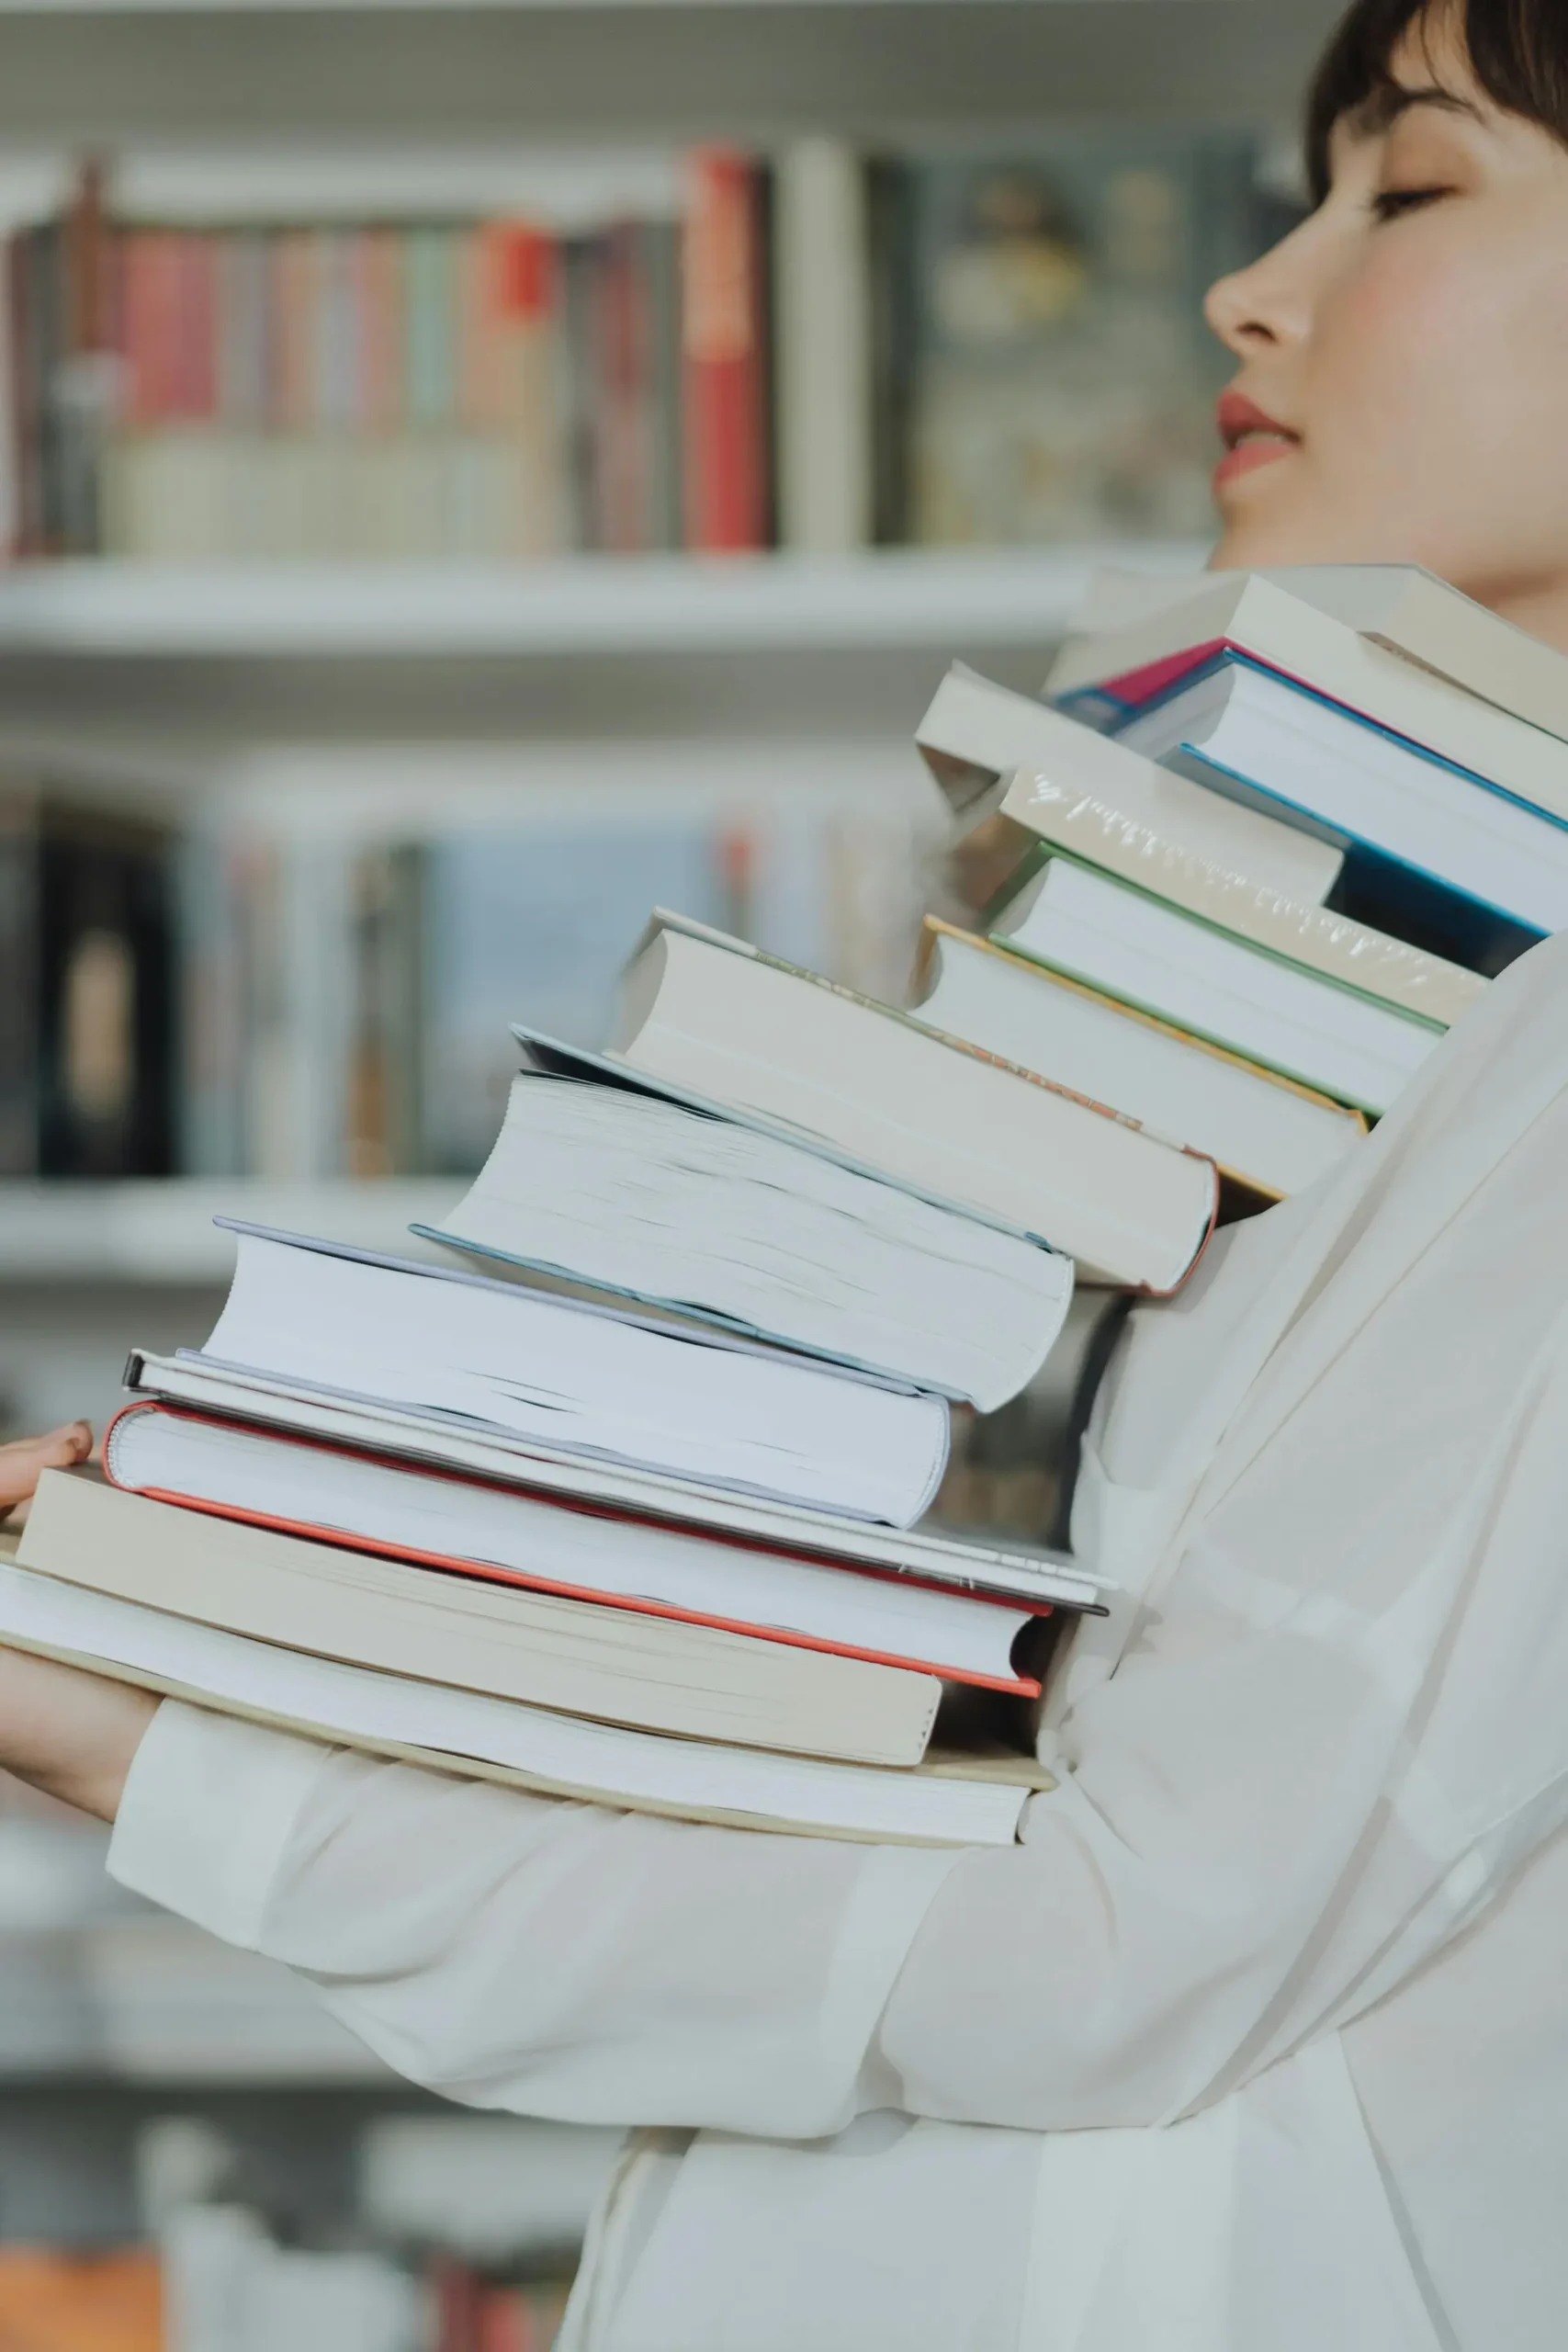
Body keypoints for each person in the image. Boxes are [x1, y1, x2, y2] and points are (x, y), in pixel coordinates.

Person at [4, 1, 1568, 2342]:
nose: (1254, 285)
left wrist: (172, 1757)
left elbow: (1107, 1957)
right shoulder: (1400, 995)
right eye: (1301, 187)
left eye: (1409, 187)